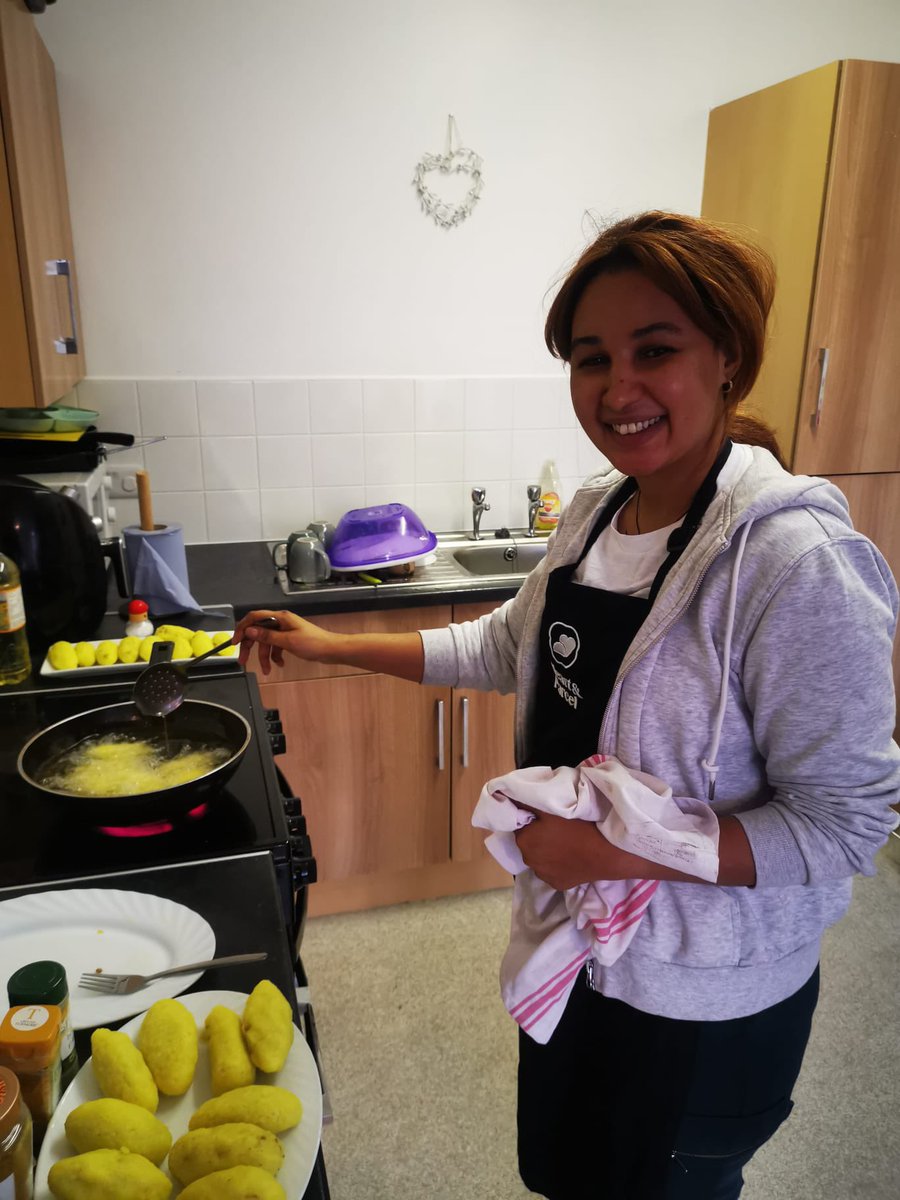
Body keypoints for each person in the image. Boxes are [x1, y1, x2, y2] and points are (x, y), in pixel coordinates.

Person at [235, 211, 900, 1199]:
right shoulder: (595, 513)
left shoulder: (793, 564)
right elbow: (507, 646)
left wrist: (623, 853)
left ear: (727, 359)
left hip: (701, 1007)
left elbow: (849, 823)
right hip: (579, 952)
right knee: (572, 1178)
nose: (617, 389)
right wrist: (327, 643)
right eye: (592, 358)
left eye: (655, 350)